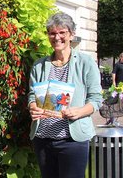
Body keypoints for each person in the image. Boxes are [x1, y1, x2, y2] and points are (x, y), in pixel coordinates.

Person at [28, 12, 102, 178]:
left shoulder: (86, 62)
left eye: (62, 32)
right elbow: (32, 95)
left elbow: (96, 99)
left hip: (72, 141)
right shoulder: (39, 65)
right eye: (52, 33)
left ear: (71, 34)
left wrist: (79, 111)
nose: (57, 37)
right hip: (43, 139)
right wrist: (32, 107)